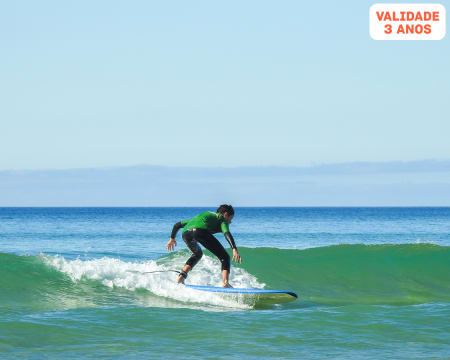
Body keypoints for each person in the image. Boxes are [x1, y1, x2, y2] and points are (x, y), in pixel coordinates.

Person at [166, 204, 242, 288]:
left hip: (185, 234)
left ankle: (181, 278)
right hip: (200, 231)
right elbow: (227, 233)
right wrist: (234, 249)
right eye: (230, 218)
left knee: (197, 254)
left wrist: (172, 239)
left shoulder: (199, 218)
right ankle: (225, 283)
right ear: (225, 214)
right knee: (225, 257)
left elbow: (177, 225)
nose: (230, 222)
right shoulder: (221, 219)